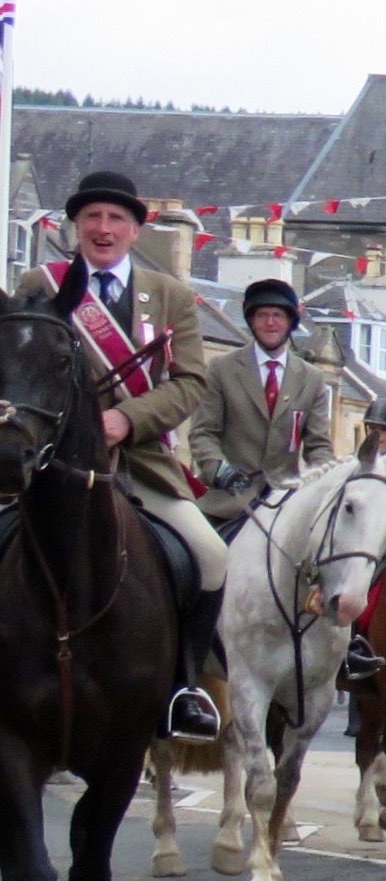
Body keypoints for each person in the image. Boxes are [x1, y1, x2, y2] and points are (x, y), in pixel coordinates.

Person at [17, 171, 225, 740]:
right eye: (92, 218)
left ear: (136, 230)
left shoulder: (173, 297)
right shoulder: (41, 282)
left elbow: (189, 384)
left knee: (211, 558)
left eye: (115, 219)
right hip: (51, 462)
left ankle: (184, 687)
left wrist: (125, 418)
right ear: (76, 227)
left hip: (141, 462)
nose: (102, 229)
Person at [192, 277, 335, 527]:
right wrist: (220, 471)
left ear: (291, 321)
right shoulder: (221, 369)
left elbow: (318, 446)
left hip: (285, 504)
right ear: (251, 321)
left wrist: (322, 484)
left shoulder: (313, 379)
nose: (270, 323)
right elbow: (203, 433)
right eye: (262, 315)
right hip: (227, 502)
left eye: (278, 315)